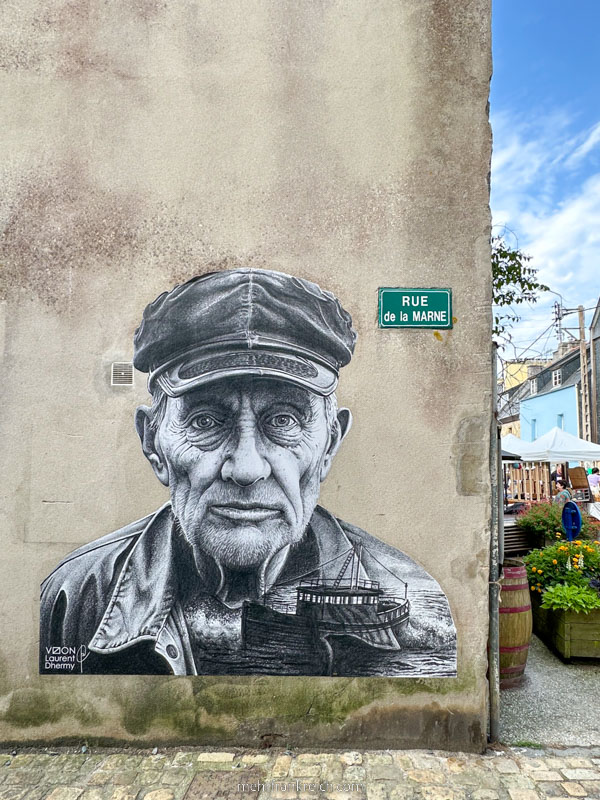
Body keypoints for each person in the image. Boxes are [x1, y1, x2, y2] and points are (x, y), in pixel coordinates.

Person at [40, 269, 456, 676]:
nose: (246, 468)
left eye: (285, 421)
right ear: (154, 443)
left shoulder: (416, 597)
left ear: (329, 444)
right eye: (204, 421)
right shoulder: (73, 597)